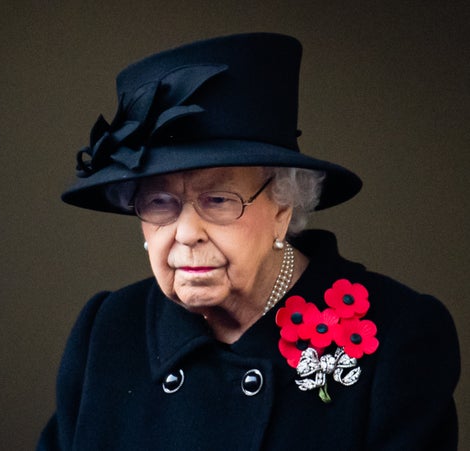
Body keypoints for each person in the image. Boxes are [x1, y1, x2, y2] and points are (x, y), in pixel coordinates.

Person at [37, 33, 460, 450]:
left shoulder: (400, 335)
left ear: (283, 206)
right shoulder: (108, 328)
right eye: (159, 202)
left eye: (218, 200)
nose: (186, 234)